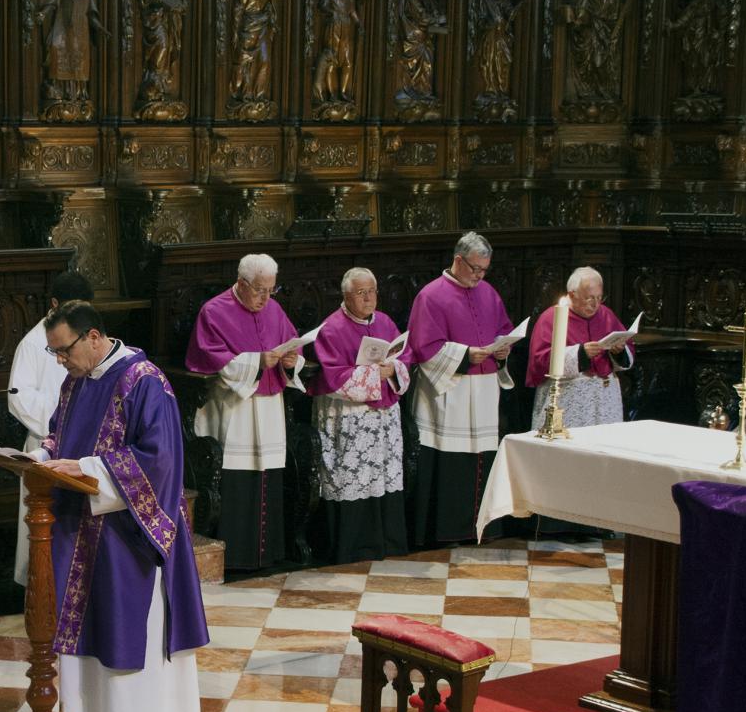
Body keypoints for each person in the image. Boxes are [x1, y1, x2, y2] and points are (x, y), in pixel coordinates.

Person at [35, 301, 208, 712]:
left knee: (123, 632)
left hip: (127, 534)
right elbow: (59, 435)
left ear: (93, 337)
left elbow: (160, 458)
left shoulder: (144, 380)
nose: (60, 361)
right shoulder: (77, 381)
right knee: (87, 637)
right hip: (81, 528)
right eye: (54, 353)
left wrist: (87, 469)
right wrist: (40, 456)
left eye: (63, 350)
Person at [185, 253, 304, 570]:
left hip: (269, 409)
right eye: (259, 290)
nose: (266, 298)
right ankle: (236, 557)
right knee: (238, 480)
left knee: (270, 475)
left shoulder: (274, 309)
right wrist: (255, 362)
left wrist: (291, 361)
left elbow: (293, 344)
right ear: (241, 283)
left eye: (271, 290)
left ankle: (269, 553)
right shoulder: (214, 311)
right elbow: (208, 358)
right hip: (236, 408)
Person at [407, 231, 513, 546]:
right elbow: (423, 347)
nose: (479, 276)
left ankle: (481, 528)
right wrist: (466, 355)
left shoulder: (489, 292)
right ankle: (446, 532)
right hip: (449, 393)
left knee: (482, 456)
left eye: (484, 270)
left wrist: (503, 349)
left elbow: (504, 329)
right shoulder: (431, 295)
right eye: (474, 269)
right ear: (458, 259)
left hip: (482, 392)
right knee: (450, 463)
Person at [310, 268, 411, 563]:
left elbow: (403, 357)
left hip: (383, 419)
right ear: (346, 295)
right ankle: (353, 548)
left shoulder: (387, 322)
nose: (369, 298)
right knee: (350, 479)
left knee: (382, 478)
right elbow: (333, 377)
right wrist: (373, 373)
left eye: (372, 292)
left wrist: (393, 369)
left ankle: (386, 543)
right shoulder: (331, 328)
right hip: (349, 418)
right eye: (361, 293)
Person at [7, 270, 94, 587]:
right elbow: (18, 398)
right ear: (54, 304)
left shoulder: (90, 336)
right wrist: (64, 424)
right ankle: (43, 592)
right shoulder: (33, 343)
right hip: (48, 444)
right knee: (46, 529)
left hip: (86, 448)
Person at [527, 266, 634, 430]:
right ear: (572, 294)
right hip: (569, 401)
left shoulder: (606, 315)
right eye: (589, 298)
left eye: (599, 297)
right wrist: (580, 353)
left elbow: (627, 352)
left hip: (606, 402)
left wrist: (619, 352)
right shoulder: (550, 318)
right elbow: (540, 360)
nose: (595, 304)